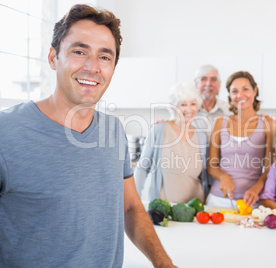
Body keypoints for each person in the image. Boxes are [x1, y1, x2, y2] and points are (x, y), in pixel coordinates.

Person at [0, 4, 175, 267]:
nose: (92, 67)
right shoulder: (6, 132)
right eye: (79, 51)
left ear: (113, 69)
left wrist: (163, 263)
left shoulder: (113, 131)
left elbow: (130, 207)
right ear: (52, 57)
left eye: (104, 57)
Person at [207, 71, 276, 207]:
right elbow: (211, 167)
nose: (240, 95)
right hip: (218, 199)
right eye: (234, 91)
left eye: (245, 89)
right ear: (230, 95)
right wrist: (223, 177)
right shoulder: (220, 122)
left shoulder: (269, 124)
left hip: (250, 201)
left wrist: (256, 188)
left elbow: (271, 169)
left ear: (254, 91)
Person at [135, 83, 209, 203]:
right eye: (183, 104)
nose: (189, 109)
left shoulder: (201, 136)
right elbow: (142, 168)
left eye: (193, 104)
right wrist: (134, 201)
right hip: (164, 210)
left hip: (195, 211)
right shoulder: (159, 130)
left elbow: (205, 175)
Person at [192, 64, 230, 137]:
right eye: (203, 79)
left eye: (213, 79)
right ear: (196, 84)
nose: (208, 84)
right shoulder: (189, 111)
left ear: (219, 85)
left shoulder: (229, 109)